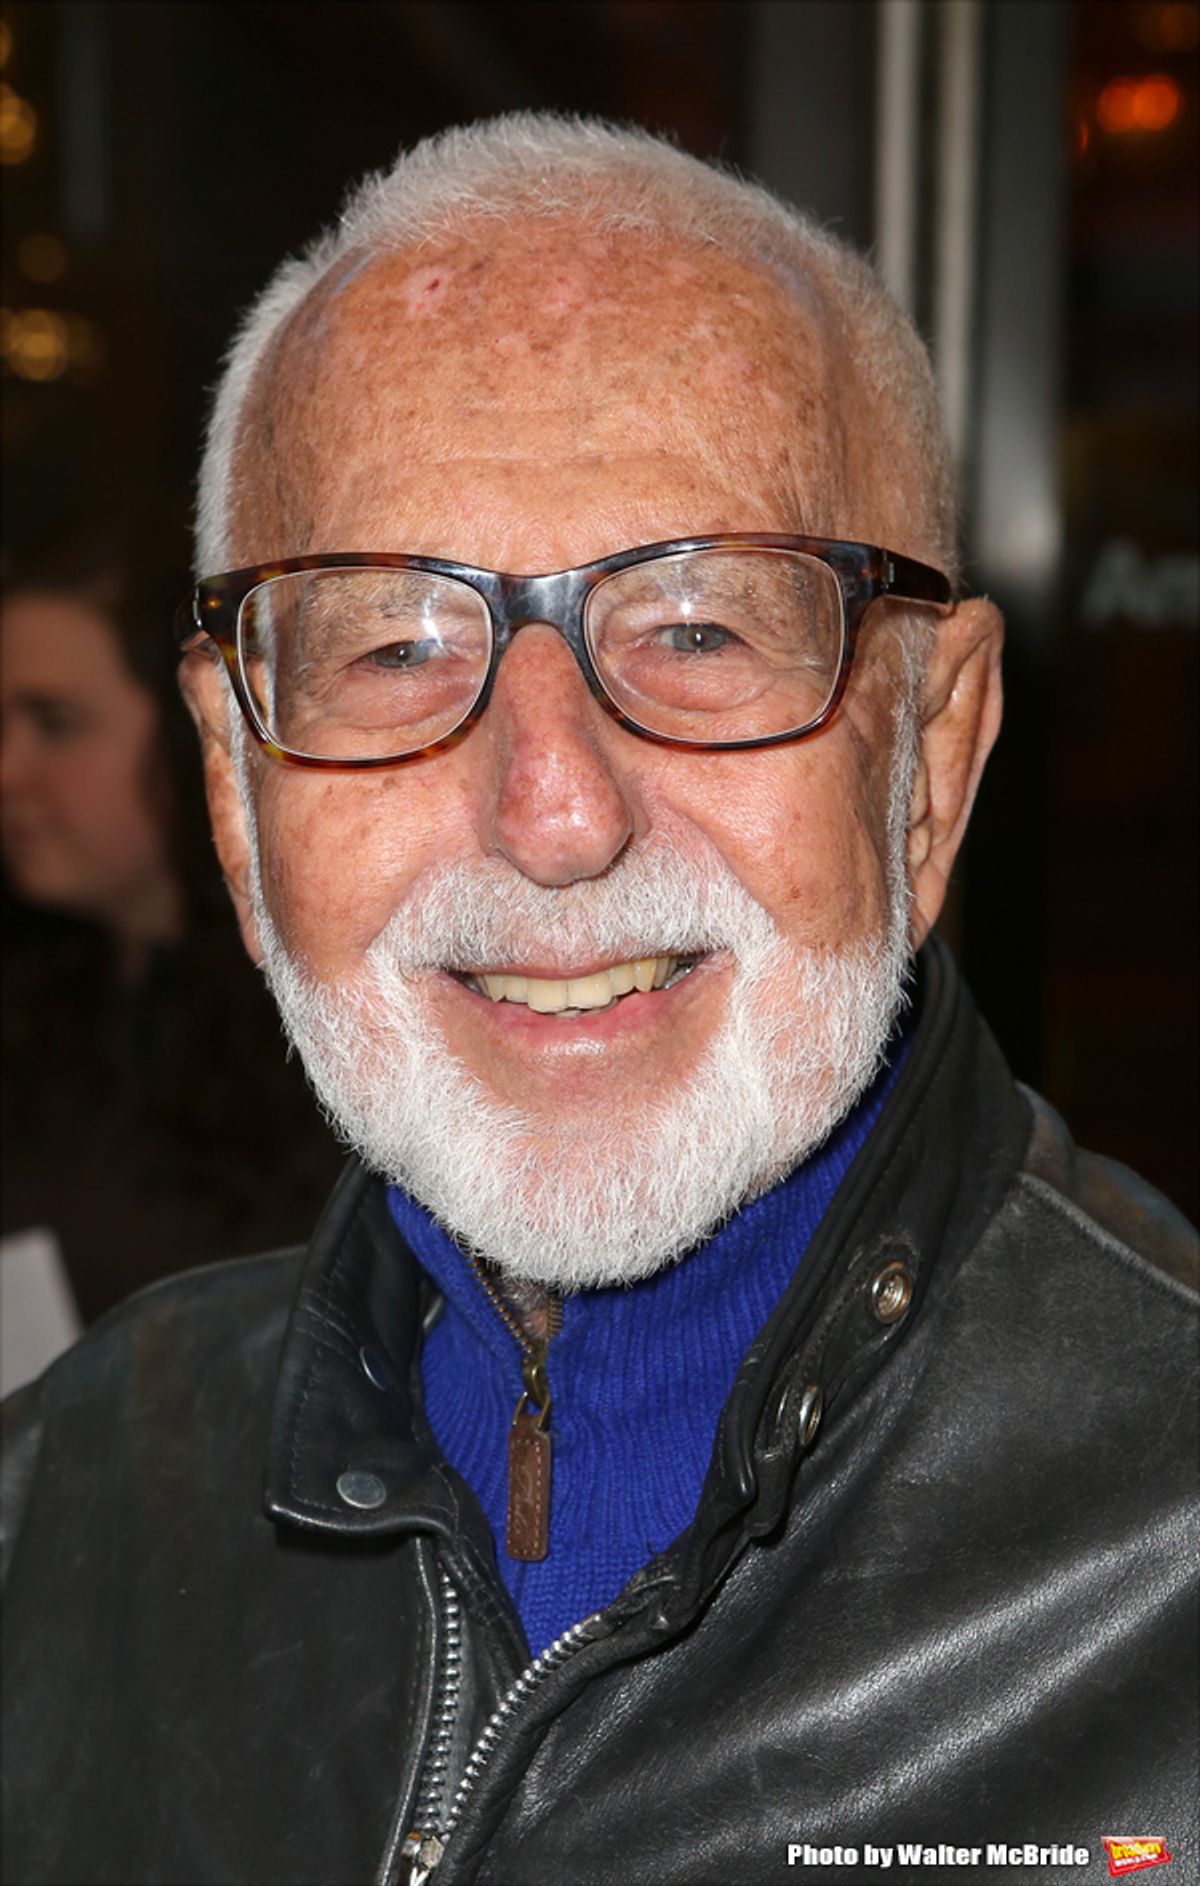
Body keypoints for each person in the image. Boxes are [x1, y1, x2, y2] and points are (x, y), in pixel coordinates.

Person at [2, 116, 1196, 1886]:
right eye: (393, 644)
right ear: (240, 800)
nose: (555, 812)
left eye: (701, 628)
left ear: (929, 760)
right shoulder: (62, 1507)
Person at [1, 514, 344, 1328]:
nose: (8, 771)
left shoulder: (316, 1034)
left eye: (54, 723)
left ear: (198, 727)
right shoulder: (39, 1005)